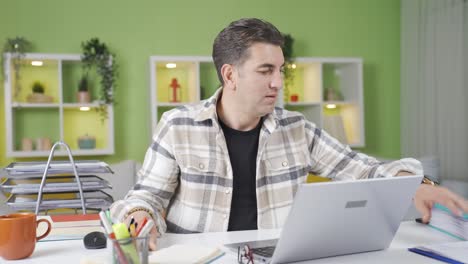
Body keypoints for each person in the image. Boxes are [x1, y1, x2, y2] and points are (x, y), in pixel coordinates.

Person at [110, 18, 468, 250]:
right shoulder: (178, 125)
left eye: (281, 69)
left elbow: (362, 169)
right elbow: (147, 197)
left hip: (277, 257)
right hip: (198, 257)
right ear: (230, 75)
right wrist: (138, 215)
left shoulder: (298, 129)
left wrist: (417, 183)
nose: (278, 83)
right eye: (266, 70)